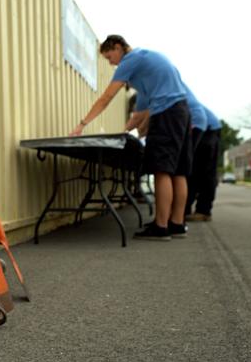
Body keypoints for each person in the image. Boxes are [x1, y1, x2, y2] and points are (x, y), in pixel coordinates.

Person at [72, 35, 192, 241]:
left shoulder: (131, 60)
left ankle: (160, 227)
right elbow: (139, 114)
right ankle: (176, 223)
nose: (111, 63)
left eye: (110, 56)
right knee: (178, 171)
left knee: (161, 169)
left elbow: (106, 97)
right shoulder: (146, 68)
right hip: (181, 112)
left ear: (118, 47)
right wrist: (125, 131)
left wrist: (82, 124)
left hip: (167, 114)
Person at [185, 108, 222, 221]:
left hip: (208, 129)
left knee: (202, 171)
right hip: (205, 127)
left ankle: (203, 211)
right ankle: (185, 209)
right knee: (196, 170)